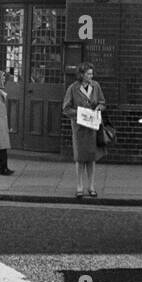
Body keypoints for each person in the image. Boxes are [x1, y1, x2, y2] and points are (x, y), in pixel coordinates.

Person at [62, 62, 106, 199]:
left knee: (91, 158)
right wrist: (79, 113)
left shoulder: (96, 86)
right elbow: (66, 108)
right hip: (79, 128)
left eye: (92, 74)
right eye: (88, 74)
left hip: (92, 127)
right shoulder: (73, 89)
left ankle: (91, 186)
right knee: (80, 159)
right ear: (81, 74)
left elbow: (102, 102)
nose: (90, 76)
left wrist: (99, 107)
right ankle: (79, 187)